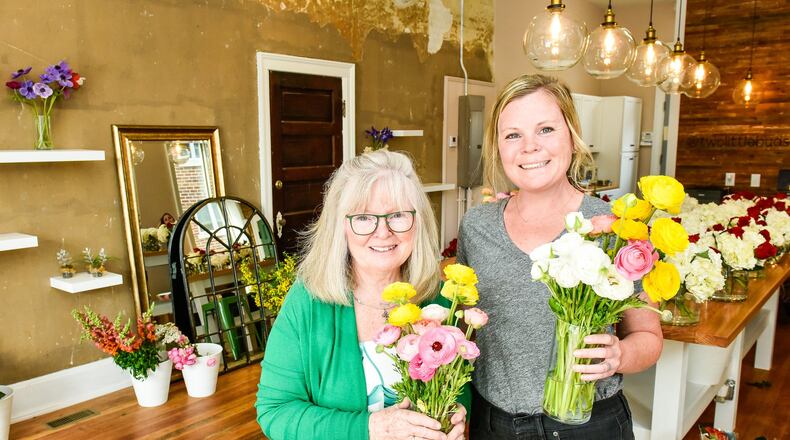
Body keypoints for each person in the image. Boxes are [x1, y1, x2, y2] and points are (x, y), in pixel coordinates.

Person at [457, 74, 662, 439]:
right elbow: (465, 327)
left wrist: (619, 355)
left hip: (589, 424)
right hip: (494, 425)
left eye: (546, 129)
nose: (529, 147)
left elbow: (647, 334)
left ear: (572, 134)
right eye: (513, 134)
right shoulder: (476, 227)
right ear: (498, 146)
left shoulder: (614, 230)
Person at [255, 149, 468, 440]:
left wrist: (456, 415)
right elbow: (275, 411)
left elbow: (459, 389)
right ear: (341, 226)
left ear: (418, 223)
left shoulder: (437, 302)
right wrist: (369, 428)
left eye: (397, 215)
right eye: (365, 218)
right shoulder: (307, 301)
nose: (383, 232)